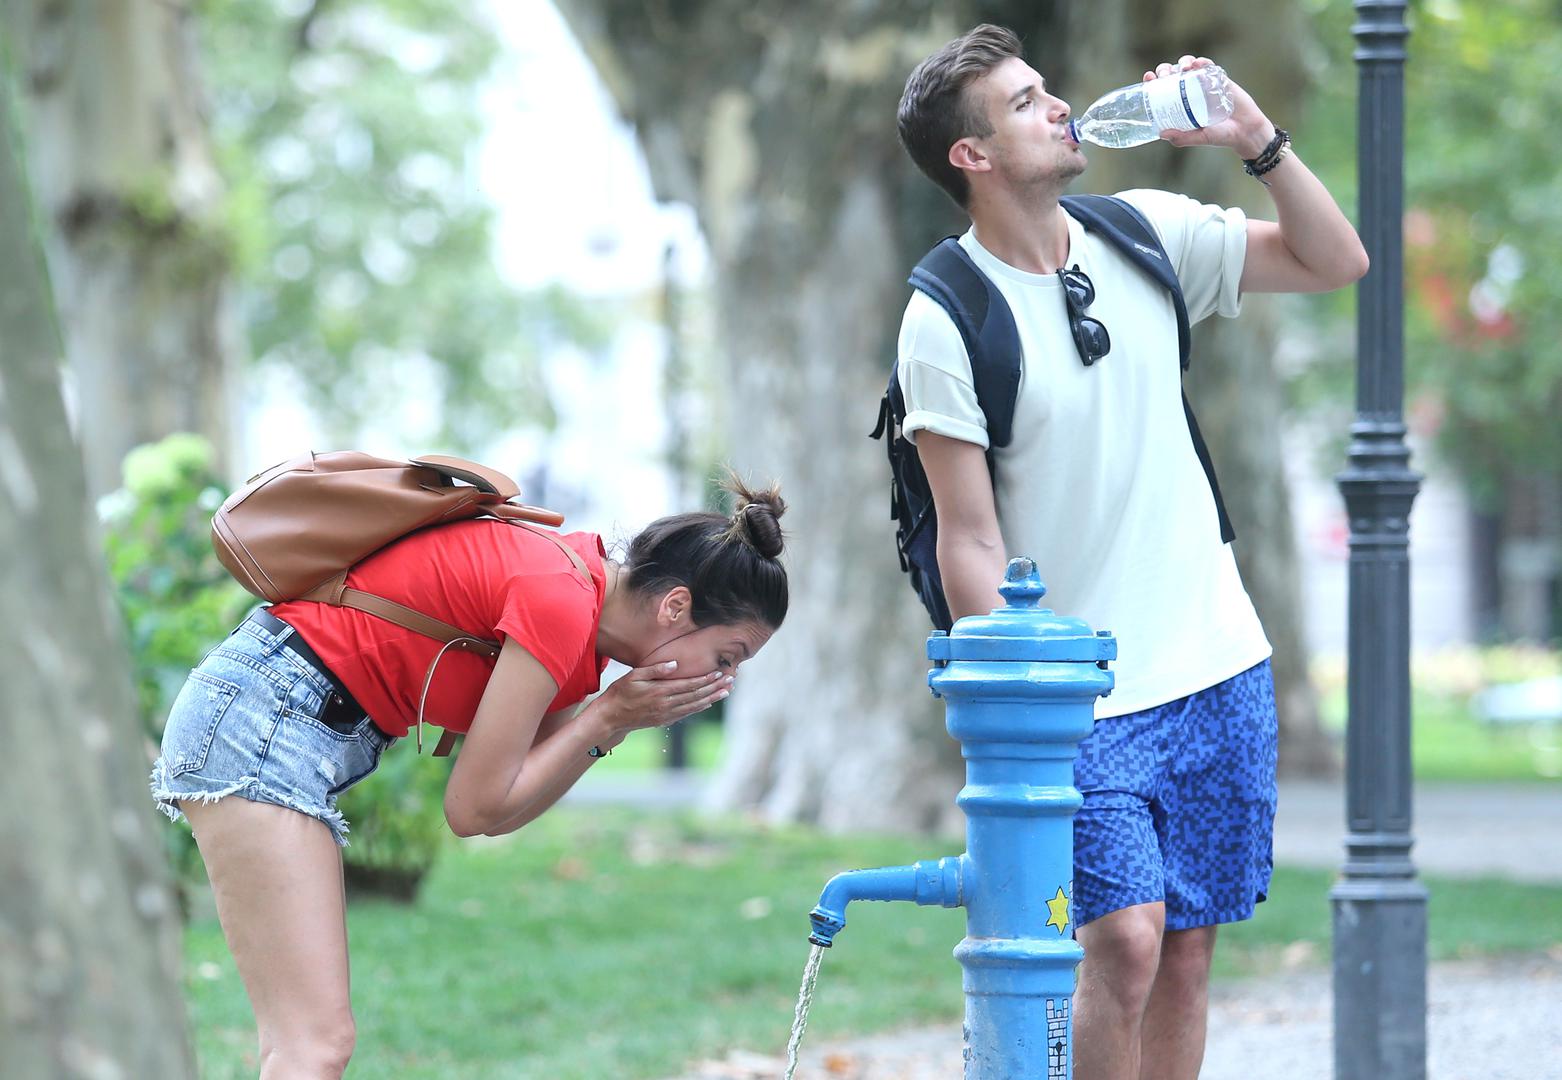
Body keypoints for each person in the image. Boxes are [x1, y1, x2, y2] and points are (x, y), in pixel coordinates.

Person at [894, 25, 1367, 1080]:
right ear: (971, 155)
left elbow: (1335, 261)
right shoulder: (945, 313)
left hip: (1215, 661)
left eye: (1045, 88)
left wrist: (1253, 138)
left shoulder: (1144, 230)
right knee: (1123, 940)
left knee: (1185, 957)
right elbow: (968, 534)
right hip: (1079, 693)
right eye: (1024, 103)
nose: (1059, 106)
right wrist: (1018, 709)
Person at [149, 475, 788, 1078]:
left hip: (280, 719)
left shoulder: (583, 615)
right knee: (313, 1044)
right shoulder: (562, 600)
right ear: (676, 606)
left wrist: (609, 724)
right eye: (726, 656)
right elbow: (474, 807)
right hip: (264, 717)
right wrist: (604, 719)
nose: (724, 679)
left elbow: (504, 807)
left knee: (306, 1043)